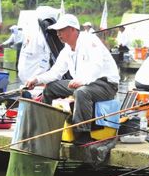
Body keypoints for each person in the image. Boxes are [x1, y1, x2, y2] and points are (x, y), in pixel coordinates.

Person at [25, 14, 120, 145]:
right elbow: (55, 72)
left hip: (106, 85)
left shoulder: (90, 40)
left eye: (61, 30)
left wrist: (83, 81)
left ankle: (82, 133)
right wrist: (36, 79)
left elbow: (97, 66)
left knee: (82, 92)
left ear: (73, 29)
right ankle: (47, 125)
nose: (58, 34)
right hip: (83, 83)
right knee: (51, 87)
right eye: (57, 31)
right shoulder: (67, 50)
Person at [17, 6, 59, 84]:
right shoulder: (43, 35)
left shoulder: (29, 31)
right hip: (34, 79)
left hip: (24, 77)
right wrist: (38, 79)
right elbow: (45, 60)